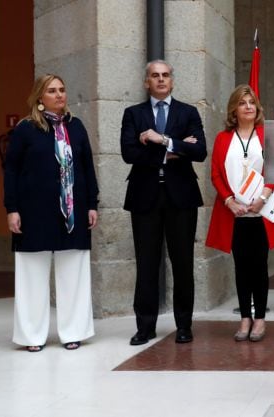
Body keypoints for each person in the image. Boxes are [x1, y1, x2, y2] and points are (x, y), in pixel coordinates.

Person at [3, 74, 99, 352]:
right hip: (34, 212)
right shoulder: (25, 129)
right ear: (39, 98)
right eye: (52, 91)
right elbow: (11, 171)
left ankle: (73, 332)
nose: (59, 95)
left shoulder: (76, 127)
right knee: (32, 275)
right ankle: (32, 336)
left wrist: (92, 203)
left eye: (62, 90)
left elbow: (87, 168)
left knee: (74, 273)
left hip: (73, 211)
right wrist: (12, 209)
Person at [120, 60, 207, 346]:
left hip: (181, 198)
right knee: (146, 264)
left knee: (182, 263)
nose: (160, 80)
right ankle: (145, 326)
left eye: (165, 75)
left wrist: (162, 140)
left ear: (172, 81)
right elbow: (129, 153)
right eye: (155, 76)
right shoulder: (133, 114)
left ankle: (184, 325)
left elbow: (199, 151)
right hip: (144, 197)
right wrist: (172, 151)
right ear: (147, 82)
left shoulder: (188, 112)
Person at [205, 84, 274, 343]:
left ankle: (260, 319)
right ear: (234, 109)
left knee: (259, 268)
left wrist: (262, 199)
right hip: (235, 214)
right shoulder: (222, 138)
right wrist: (229, 201)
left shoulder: (265, 135)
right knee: (241, 268)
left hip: (260, 214)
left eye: (252, 102)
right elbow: (216, 173)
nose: (249, 107)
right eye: (243, 103)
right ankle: (244, 318)